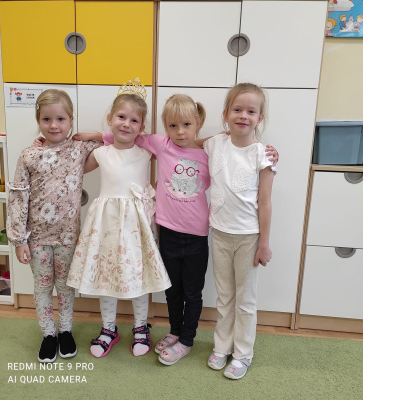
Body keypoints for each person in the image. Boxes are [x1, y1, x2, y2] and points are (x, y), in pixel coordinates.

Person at [72, 94, 278, 365]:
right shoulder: (161, 144)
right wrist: (92, 135)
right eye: (172, 126)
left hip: (198, 235)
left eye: (187, 125)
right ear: (164, 127)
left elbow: (233, 149)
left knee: (192, 292)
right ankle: (175, 331)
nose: (180, 132)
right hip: (167, 231)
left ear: (198, 124)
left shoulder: (211, 150)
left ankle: (187, 339)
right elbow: (126, 135)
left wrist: (266, 153)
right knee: (172, 290)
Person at [66, 80, 171, 358]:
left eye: (134, 120)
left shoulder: (147, 153)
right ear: (110, 118)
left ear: (142, 126)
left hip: (136, 226)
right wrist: (45, 146)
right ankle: (108, 328)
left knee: (138, 275)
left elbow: (176, 147)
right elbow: (72, 169)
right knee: (106, 274)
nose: (126, 124)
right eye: (121, 117)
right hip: (106, 225)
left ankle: (140, 327)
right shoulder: (100, 153)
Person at [6, 89, 101, 363]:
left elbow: (115, 141)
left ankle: (65, 331)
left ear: (71, 120)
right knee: (43, 286)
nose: (54, 125)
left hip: (68, 236)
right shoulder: (29, 155)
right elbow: (18, 197)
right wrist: (19, 240)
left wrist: (89, 135)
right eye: (46, 119)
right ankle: (48, 335)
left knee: (66, 286)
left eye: (61, 119)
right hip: (36, 238)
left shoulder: (79, 150)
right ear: (38, 120)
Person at [204, 83, 276, 380]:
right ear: (225, 114)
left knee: (245, 300)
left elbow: (265, 202)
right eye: (237, 109)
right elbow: (185, 142)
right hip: (219, 233)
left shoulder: (263, 155)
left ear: (260, 118)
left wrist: (264, 244)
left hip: (249, 238)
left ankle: (243, 353)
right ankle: (222, 346)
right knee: (225, 297)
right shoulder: (214, 143)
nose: (243, 115)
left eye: (251, 111)